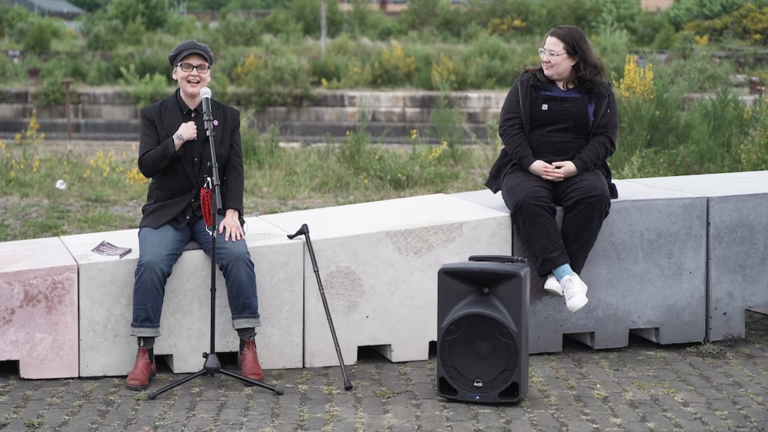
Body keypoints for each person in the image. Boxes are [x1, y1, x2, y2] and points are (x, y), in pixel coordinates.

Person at [125, 40, 263, 390]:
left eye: (200, 68)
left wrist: (232, 212)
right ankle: (145, 353)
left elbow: (235, 170)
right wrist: (176, 140)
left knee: (236, 254)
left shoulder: (226, 116)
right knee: (152, 262)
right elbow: (146, 166)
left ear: (208, 75)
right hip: (166, 212)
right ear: (175, 72)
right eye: (187, 67)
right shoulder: (154, 115)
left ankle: (247, 343)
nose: (194, 73)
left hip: (210, 212)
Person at [485, 25, 618, 314]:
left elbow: (606, 139)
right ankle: (566, 275)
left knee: (594, 196)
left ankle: (561, 276)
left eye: (553, 54)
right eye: (543, 51)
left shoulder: (599, 93)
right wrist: (531, 163)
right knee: (528, 200)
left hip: (577, 169)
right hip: (526, 167)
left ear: (574, 58)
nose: (545, 58)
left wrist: (576, 166)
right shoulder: (526, 85)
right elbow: (508, 128)